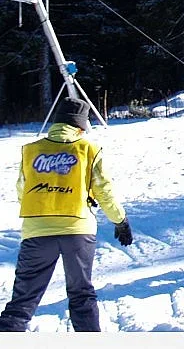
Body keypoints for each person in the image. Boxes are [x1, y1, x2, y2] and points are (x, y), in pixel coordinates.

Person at [0, 97, 132, 332]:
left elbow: (22, 189)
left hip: (36, 232)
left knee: (22, 301)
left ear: (57, 121)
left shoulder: (32, 150)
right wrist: (120, 220)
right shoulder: (88, 149)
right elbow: (104, 189)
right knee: (81, 294)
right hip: (77, 230)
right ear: (81, 126)